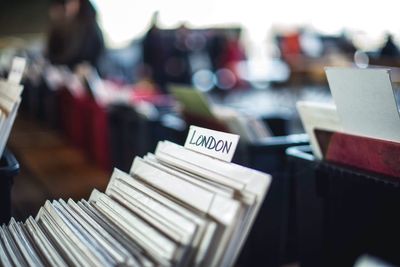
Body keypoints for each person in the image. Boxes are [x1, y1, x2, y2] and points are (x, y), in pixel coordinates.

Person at [46, 0, 105, 70]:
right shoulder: (66, 27)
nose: (68, 7)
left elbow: (88, 54)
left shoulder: (89, 27)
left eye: (72, 3)